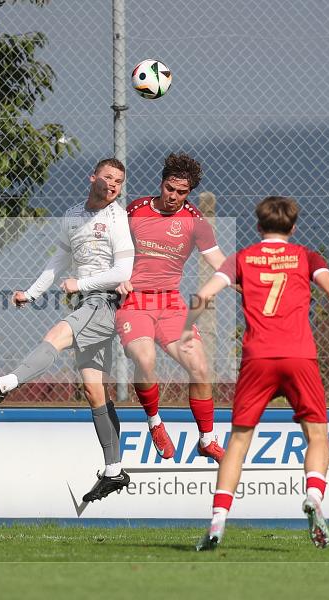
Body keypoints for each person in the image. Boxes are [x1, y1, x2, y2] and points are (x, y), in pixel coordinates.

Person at [181, 196, 329, 551]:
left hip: (258, 358)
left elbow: (203, 296)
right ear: (293, 227)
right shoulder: (306, 257)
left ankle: (218, 520)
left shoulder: (242, 258)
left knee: (238, 442)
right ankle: (314, 496)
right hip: (299, 356)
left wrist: (185, 330)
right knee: (317, 436)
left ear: (258, 226)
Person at [0, 158, 135, 502]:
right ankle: (114, 470)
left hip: (101, 304)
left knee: (56, 336)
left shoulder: (117, 218)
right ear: (93, 177)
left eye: (119, 181)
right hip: (86, 302)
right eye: (108, 178)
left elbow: (122, 272)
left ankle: (4, 384)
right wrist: (31, 293)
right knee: (94, 391)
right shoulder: (73, 216)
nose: (114, 185)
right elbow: (57, 262)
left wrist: (80, 284)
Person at [115, 153, 226, 463]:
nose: (174, 196)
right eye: (169, 189)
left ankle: (207, 440)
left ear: (189, 192)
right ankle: (155, 422)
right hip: (134, 302)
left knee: (200, 367)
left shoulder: (195, 222)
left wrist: (248, 281)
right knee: (145, 359)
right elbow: (111, 250)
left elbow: (218, 262)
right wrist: (116, 278)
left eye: (182, 192)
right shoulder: (135, 210)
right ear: (161, 183)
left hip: (170, 303)